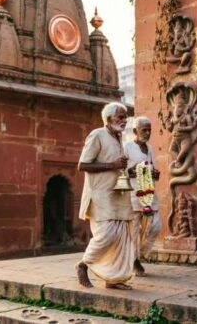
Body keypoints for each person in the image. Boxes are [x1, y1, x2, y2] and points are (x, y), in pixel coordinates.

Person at [76, 102, 139, 290]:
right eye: (120, 117)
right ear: (109, 119)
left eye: (125, 117)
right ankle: (82, 265)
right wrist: (112, 165)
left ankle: (113, 279)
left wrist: (135, 171)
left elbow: (119, 167)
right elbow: (83, 165)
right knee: (107, 236)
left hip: (118, 196)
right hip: (100, 195)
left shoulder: (119, 138)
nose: (124, 120)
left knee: (121, 238)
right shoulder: (97, 135)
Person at [125, 117, 161, 277]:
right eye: (143, 130)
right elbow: (122, 171)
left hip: (149, 192)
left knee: (156, 225)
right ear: (135, 132)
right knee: (133, 231)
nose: (147, 133)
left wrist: (154, 173)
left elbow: (152, 170)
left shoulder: (150, 148)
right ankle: (134, 261)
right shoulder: (127, 147)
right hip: (133, 193)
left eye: (149, 130)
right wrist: (137, 170)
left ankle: (140, 254)